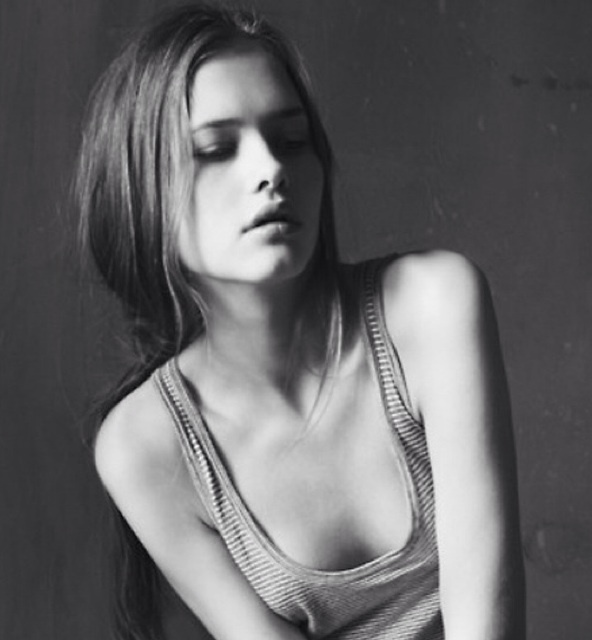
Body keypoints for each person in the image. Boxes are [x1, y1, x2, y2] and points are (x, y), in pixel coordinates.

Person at [74, 3, 526, 639]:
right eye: (215, 150)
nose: (270, 170)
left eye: (291, 140)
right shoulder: (142, 446)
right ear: (139, 191)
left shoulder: (432, 304)